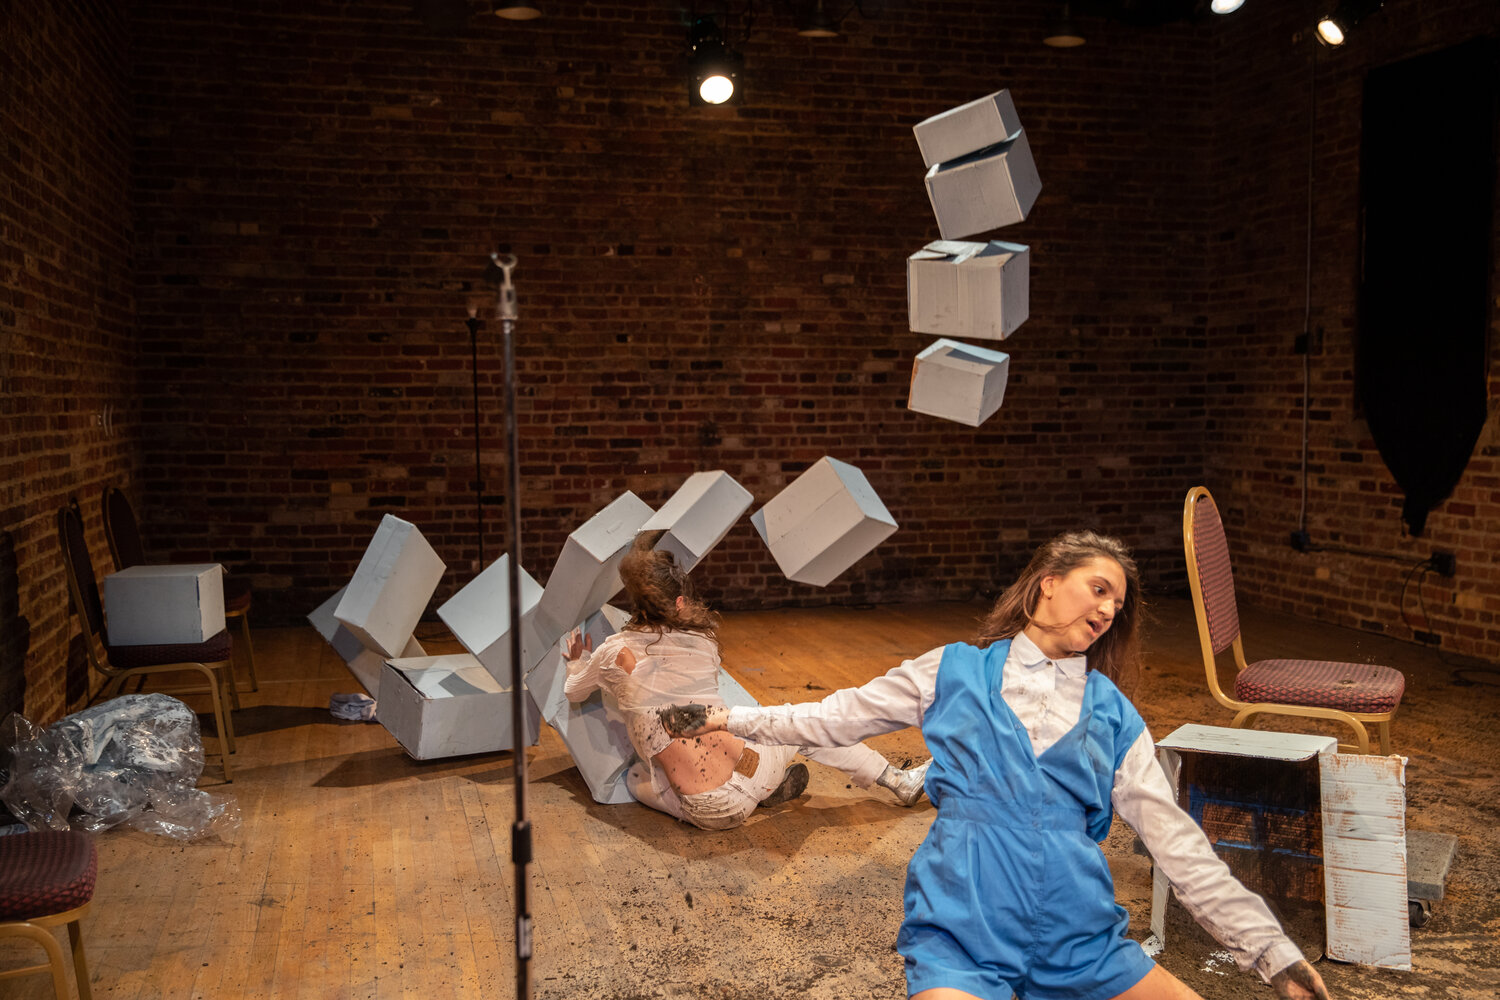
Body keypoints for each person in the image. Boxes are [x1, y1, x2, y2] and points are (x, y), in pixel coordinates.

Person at [660, 530, 1332, 1000]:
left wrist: (1269, 951)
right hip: (964, 920)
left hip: (1080, 933)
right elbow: (832, 717)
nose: (1106, 610)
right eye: (1098, 589)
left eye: (1116, 605)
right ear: (1047, 585)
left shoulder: (1117, 716)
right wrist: (729, 718)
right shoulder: (950, 671)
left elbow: (1177, 844)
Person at [563, 530, 930, 832]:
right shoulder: (702, 641)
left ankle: (748, 803)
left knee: (636, 777)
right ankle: (896, 779)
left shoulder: (613, 654)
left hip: (717, 812)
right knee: (798, 726)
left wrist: (577, 661)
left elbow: (574, 690)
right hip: (756, 769)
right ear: (678, 603)